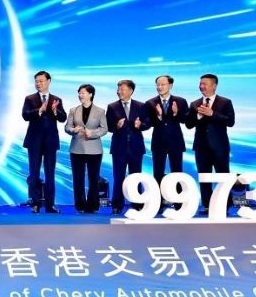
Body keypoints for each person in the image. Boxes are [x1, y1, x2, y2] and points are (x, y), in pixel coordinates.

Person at [185, 73, 235, 214]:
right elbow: (188, 124)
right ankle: (207, 204)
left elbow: (230, 121)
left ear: (214, 86)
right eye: (200, 84)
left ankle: (225, 205)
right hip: (201, 147)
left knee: (223, 175)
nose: (202, 86)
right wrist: (198, 116)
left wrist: (212, 114)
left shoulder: (225, 102)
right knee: (204, 176)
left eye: (205, 84)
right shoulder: (194, 104)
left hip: (220, 146)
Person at [21, 70, 67, 213]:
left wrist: (55, 111)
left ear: (48, 82)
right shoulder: (29, 99)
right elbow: (25, 115)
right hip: (34, 142)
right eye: (36, 81)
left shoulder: (56, 99)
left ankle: (50, 205)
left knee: (50, 174)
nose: (38, 84)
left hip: (50, 142)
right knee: (34, 173)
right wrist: (39, 110)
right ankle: (35, 203)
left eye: (41, 81)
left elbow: (63, 118)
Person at [106, 79, 150, 214]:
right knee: (118, 176)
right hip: (119, 147)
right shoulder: (112, 107)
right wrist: (116, 126)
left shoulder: (141, 106)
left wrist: (140, 125)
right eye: (118, 89)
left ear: (130, 91)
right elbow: (108, 126)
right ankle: (117, 204)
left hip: (136, 147)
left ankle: (137, 203)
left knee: (135, 176)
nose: (119, 92)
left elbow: (147, 123)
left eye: (122, 89)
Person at [145, 75, 189, 210]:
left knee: (177, 173)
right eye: (158, 85)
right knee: (158, 173)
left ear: (170, 85)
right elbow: (148, 123)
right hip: (158, 142)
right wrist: (158, 116)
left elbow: (186, 121)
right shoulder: (150, 103)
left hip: (175, 142)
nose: (159, 87)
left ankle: (179, 203)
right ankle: (158, 203)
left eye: (163, 84)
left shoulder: (180, 101)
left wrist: (176, 113)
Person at [64, 84, 108, 214]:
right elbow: (67, 127)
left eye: (83, 93)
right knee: (78, 178)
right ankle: (80, 205)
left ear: (90, 94)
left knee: (93, 179)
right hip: (76, 149)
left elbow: (104, 129)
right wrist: (73, 130)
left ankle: (93, 205)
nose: (80, 95)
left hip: (94, 149)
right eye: (79, 93)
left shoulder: (100, 111)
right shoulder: (73, 110)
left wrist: (92, 133)